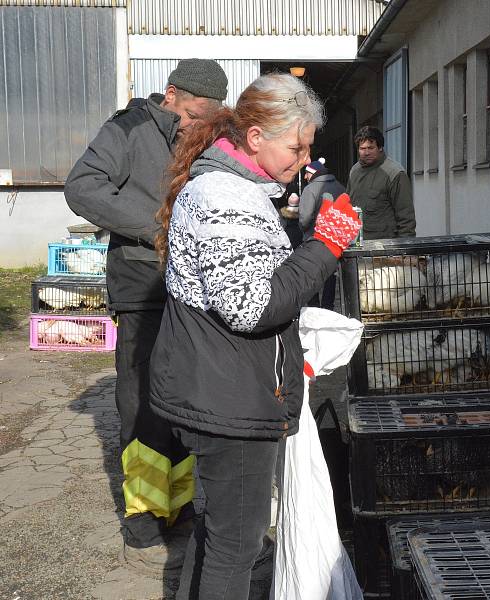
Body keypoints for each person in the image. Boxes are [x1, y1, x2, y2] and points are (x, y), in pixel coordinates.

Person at [148, 73, 361, 598]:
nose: (304, 159)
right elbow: (252, 305)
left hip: (219, 387)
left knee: (218, 532)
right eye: (297, 146)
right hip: (230, 401)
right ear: (256, 136)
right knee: (236, 548)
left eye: (308, 146)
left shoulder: (232, 188)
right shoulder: (226, 196)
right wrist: (325, 246)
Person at [64, 59, 228, 571]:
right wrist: (157, 229)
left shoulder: (200, 132)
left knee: (180, 396)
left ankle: (175, 506)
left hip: (190, 285)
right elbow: (83, 188)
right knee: (139, 400)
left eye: (210, 116)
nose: (201, 123)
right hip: (142, 284)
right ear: (172, 94)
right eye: (197, 111)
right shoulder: (127, 129)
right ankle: (141, 516)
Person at [346, 125, 415, 240]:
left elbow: (406, 218)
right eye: (362, 148)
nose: (366, 152)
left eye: (370, 148)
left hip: (384, 247)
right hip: (356, 243)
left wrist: (405, 250)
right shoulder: (354, 171)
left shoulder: (395, 173)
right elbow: (347, 204)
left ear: (380, 148)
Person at [299, 157, 346, 309]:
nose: (305, 177)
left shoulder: (310, 189)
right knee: (330, 276)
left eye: (306, 173)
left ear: (313, 173)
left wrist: (302, 229)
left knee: (312, 274)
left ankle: (313, 307)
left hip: (314, 240)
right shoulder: (340, 187)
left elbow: (305, 218)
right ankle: (328, 307)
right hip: (334, 241)